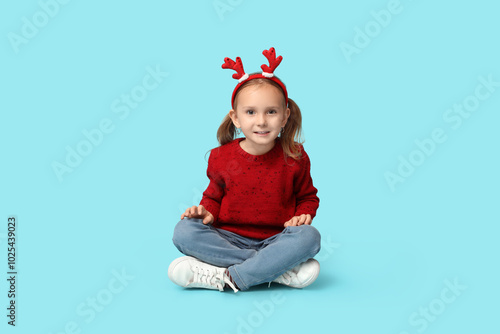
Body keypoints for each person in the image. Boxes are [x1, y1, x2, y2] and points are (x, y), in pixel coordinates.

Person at [168, 47, 321, 292]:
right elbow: (213, 197)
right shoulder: (220, 157)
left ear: (284, 117)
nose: (261, 121)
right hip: (228, 238)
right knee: (184, 231)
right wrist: (205, 212)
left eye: (271, 112)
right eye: (250, 112)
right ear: (236, 118)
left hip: (277, 239)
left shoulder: (295, 156)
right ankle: (274, 270)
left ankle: (229, 276)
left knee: (310, 237)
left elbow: (307, 197)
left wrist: (304, 214)